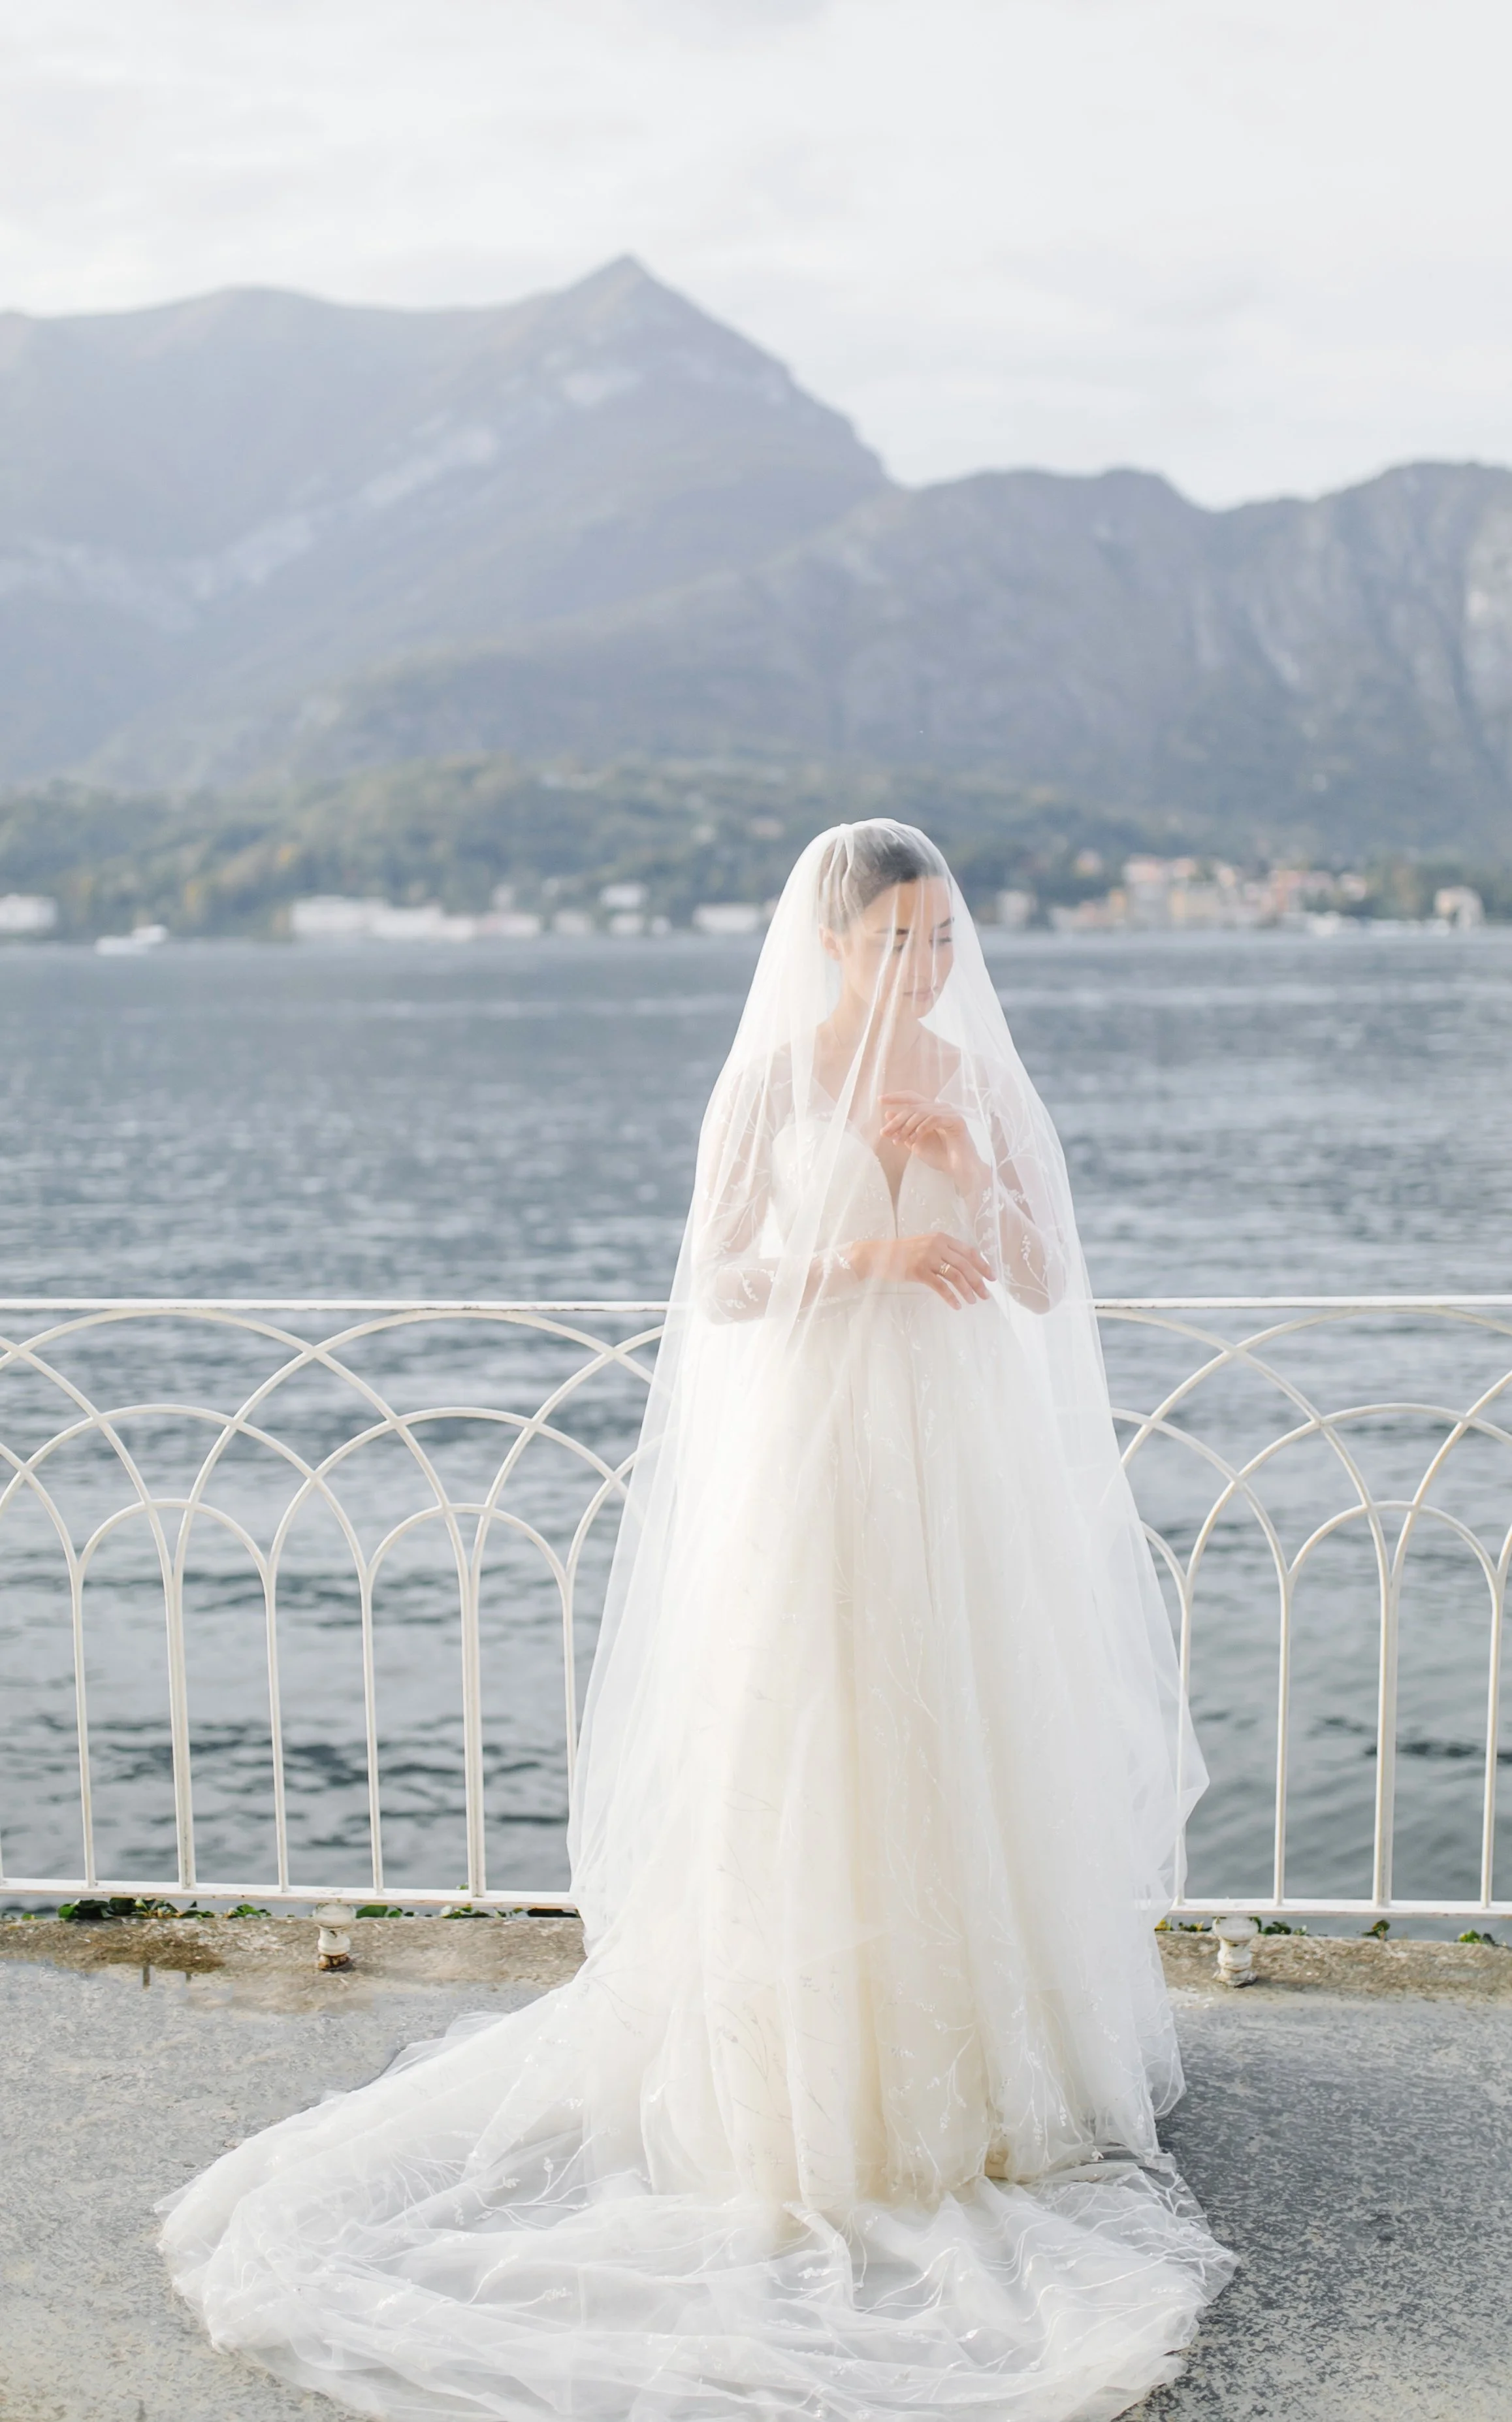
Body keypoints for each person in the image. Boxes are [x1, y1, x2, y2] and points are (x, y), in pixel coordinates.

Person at [161, 820, 1233, 2420]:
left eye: (945, 941)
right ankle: (809, 2091)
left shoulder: (971, 1078)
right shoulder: (771, 1082)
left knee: (962, 1726)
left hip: (950, 1463)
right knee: (815, 1737)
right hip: (813, 1463)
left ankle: (980, 2071)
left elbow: (1031, 1280)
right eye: (900, 943)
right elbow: (719, 1284)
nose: (928, 968)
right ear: (834, 943)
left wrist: (969, 1157)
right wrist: (868, 1245)